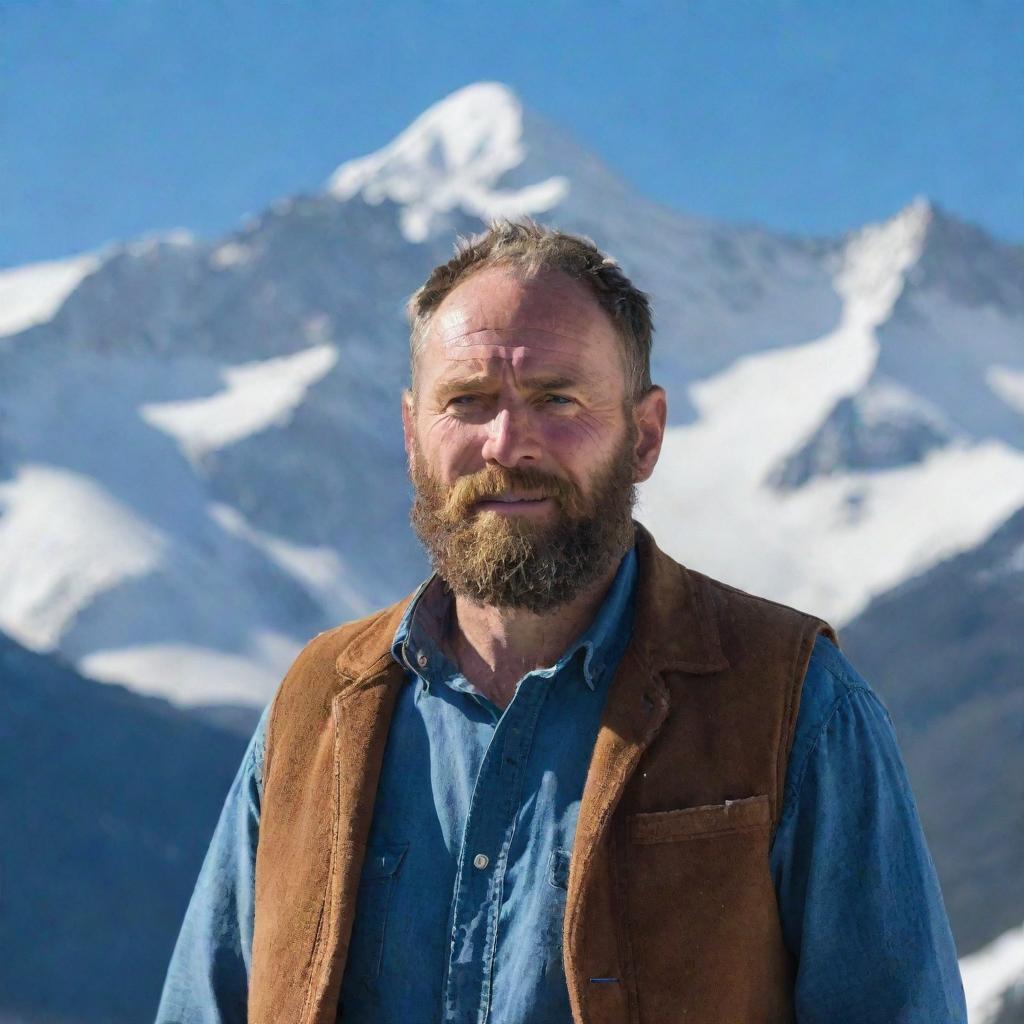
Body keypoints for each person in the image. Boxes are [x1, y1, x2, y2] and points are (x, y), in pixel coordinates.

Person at [156, 221, 968, 1023]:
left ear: (644, 436)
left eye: (557, 399)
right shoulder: (315, 705)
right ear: (411, 435)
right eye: (467, 402)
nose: (507, 444)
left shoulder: (796, 703)